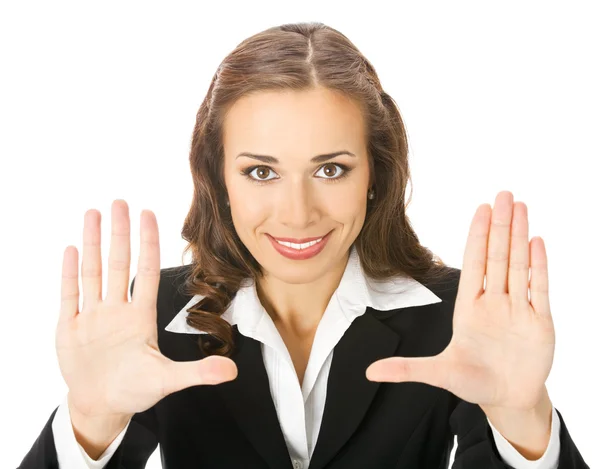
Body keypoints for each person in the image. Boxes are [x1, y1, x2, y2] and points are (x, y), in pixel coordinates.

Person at [18, 22, 589, 469]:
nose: (297, 215)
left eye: (332, 170)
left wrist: (524, 421)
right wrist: (89, 421)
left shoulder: (464, 318)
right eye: (261, 172)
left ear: (376, 176)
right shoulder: (152, 316)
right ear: (218, 178)